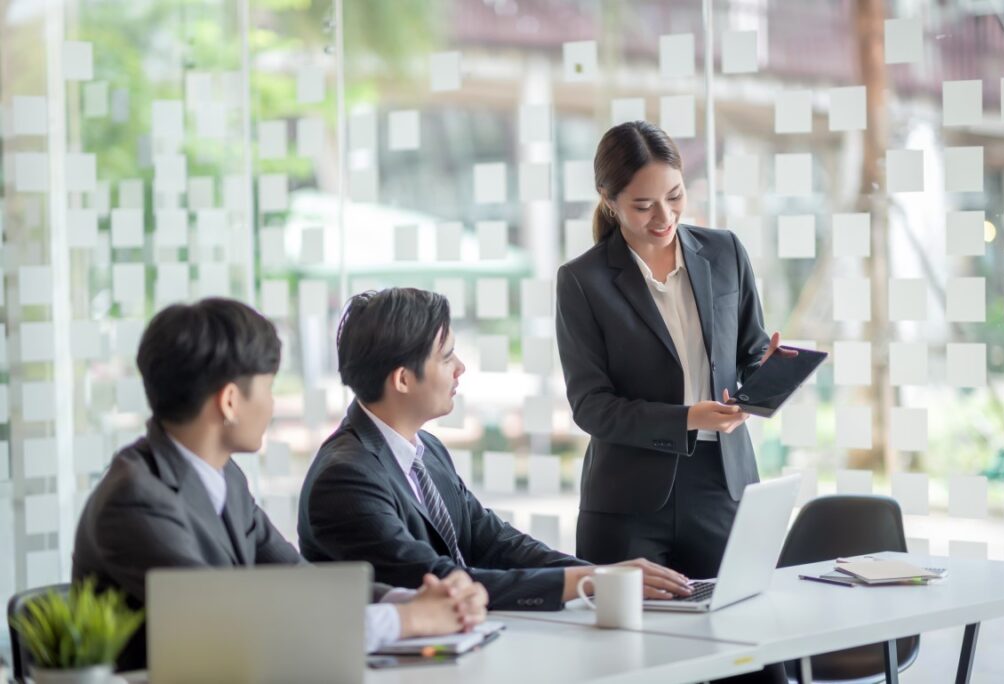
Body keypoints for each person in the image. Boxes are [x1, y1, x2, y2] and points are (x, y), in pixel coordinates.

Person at [72, 298, 487, 671]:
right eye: (268, 388)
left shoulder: (224, 477)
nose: (272, 405)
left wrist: (406, 600)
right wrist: (407, 621)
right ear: (231, 401)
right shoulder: (135, 499)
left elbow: (298, 579)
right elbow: (233, 628)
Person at [555, 122, 791, 683]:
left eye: (675, 196)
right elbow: (592, 406)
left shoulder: (725, 251)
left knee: (752, 661)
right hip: (629, 503)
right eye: (642, 205)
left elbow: (750, 351)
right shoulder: (583, 281)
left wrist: (770, 374)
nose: (663, 217)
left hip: (722, 486)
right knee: (639, 668)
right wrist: (687, 418)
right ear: (610, 203)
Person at [297, 287, 692, 611]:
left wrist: (607, 578)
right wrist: (590, 581)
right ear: (402, 379)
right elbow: (438, 580)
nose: (460, 368)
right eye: (447, 355)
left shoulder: (425, 449)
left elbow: (492, 540)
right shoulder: (345, 478)